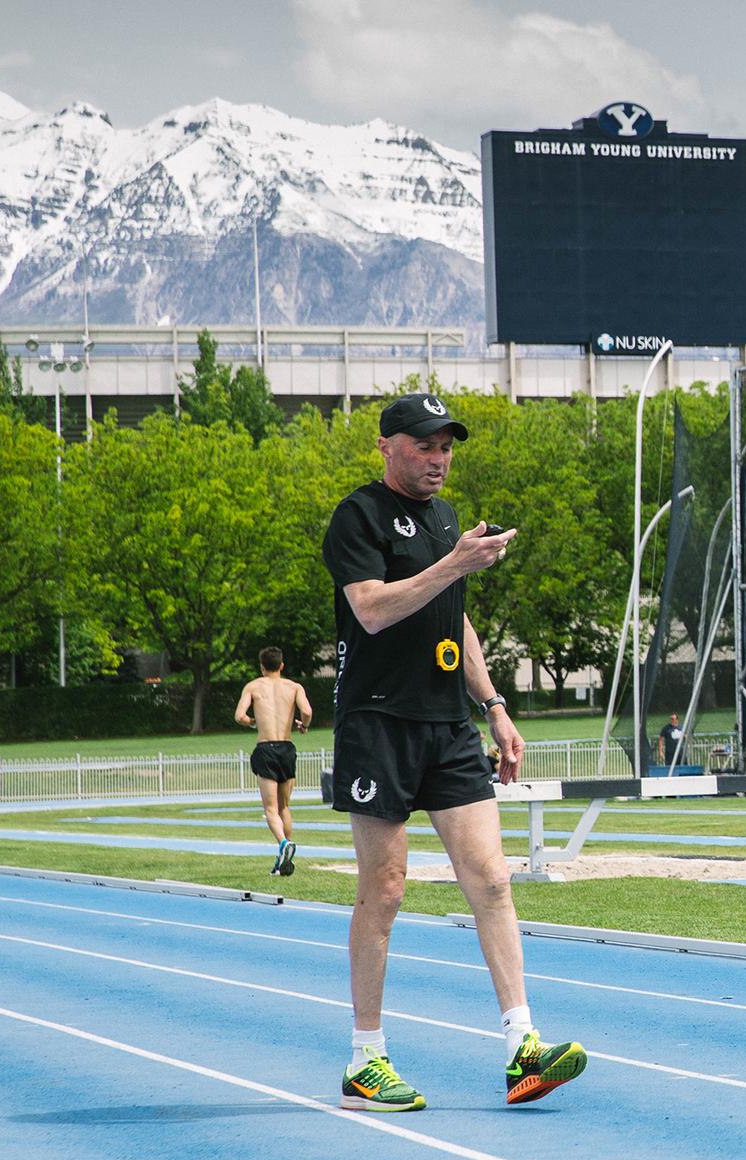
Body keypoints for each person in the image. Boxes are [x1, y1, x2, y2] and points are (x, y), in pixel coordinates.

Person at [322, 391, 588, 1113]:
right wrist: (454, 563)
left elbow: (455, 619)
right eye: (425, 446)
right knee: (385, 889)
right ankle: (365, 1061)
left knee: (492, 880)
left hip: (447, 724)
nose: (438, 459)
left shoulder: (446, 519)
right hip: (378, 721)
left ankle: (523, 1048)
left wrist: (494, 705)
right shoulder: (358, 515)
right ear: (387, 446)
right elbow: (371, 609)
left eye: (446, 448)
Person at [233, 646, 313, 877]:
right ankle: (283, 857)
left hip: (266, 748)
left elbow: (239, 716)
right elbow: (307, 711)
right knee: (284, 807)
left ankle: (283, 844)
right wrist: (304, 725)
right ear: (281, 665)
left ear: (261, 666)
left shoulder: (253, 686)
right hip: (286, 747)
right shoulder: (294, 687)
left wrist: (253, 722)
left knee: (270, 809)